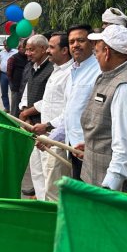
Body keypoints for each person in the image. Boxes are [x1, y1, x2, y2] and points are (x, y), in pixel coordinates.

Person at [78, 25, 127, 192]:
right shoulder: (124, 76)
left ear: (107, 52)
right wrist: (91, 145)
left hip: (114, 189)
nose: (95, 56)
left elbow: (124, 149)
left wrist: (109, 188)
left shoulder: (125, 87)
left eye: (96, 51)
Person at [31, 33, 72, 201]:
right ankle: (42, 211)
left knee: (53, 186)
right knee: (39, 175)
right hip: (43, 135)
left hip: (57, 139)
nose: (48, 51)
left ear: (64, 50)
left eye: (51, 47)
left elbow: (70, 110)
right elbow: (49, 101)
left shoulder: (70, 73)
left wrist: (48, 125)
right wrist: (28, 111)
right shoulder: (55, 71)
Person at [63, 24, 102, 180]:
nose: (75, 45)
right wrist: (51, 135)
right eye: (71, 42)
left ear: (92, 43)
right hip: (72, 147)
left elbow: (101, 115)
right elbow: (69, 111)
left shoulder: (99, 71)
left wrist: (90, 144)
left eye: (80, 40)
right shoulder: (72, 71)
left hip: (90, 149)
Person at [18, 35, 53, 200]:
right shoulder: (32, 67)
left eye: (31, 49)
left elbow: (47, 99)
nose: (28, 53)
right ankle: (39, 198)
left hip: (45, 126)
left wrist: (27, 113)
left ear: (43, 49)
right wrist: (24, 112)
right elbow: (26, 93)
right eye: (26, 49)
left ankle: (47, 201)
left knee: (47, 168)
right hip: (31, 125)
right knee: (36, 167)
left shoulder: (52, 69)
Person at [6, 39, 29, 118]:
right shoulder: (13, 58)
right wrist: (12, 84)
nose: (25, 50)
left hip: (26, 87)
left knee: (24, 108)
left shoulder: (28, 58)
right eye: (23, 48)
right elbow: (9, 73)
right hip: (16, 87)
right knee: (15, 108)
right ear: (19, 48)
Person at [0, 40, 17, 112]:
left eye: (7, 45)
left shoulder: (15, 52)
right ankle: (7, 107)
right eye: (4, 45)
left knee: (14, 91)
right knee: (4, 92)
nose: (6, 47)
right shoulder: (1, 52)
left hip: (12, 74)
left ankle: (14, 108)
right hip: (3, 74)